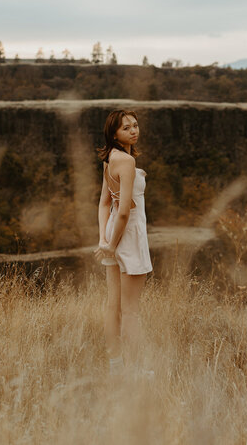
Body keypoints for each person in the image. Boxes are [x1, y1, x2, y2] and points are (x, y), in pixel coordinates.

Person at [94, 109, 154, 378]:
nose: (133, 130)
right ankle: (139, 370)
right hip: (128, 235)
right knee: (130, 311)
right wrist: (111, 243)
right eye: (126, 127)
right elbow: (124, 211)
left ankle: (115, 367)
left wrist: (104, 238)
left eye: (135, 125)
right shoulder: (126, 162)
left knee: (113, 305)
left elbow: (105, 203)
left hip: (114, 234)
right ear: (114, 133)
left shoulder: (110, 158)